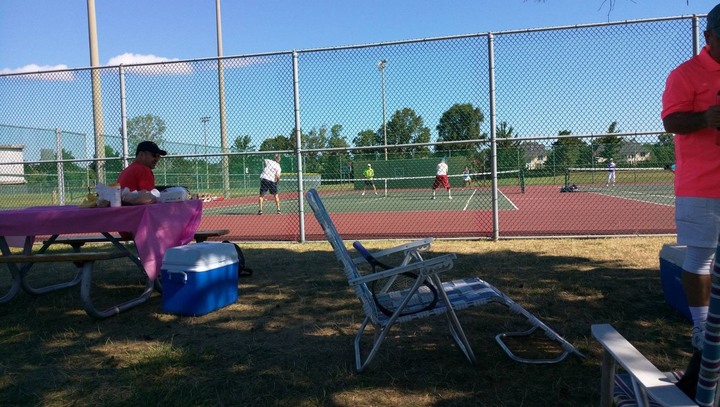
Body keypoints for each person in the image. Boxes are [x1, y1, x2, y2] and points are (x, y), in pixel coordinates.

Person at [661, 3, 720, 351]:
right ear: (709, 36)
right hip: (702, 186)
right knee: (700, 257)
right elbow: (671, 122)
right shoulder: (685, 74)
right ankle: (701, 328)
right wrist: (705, 119)